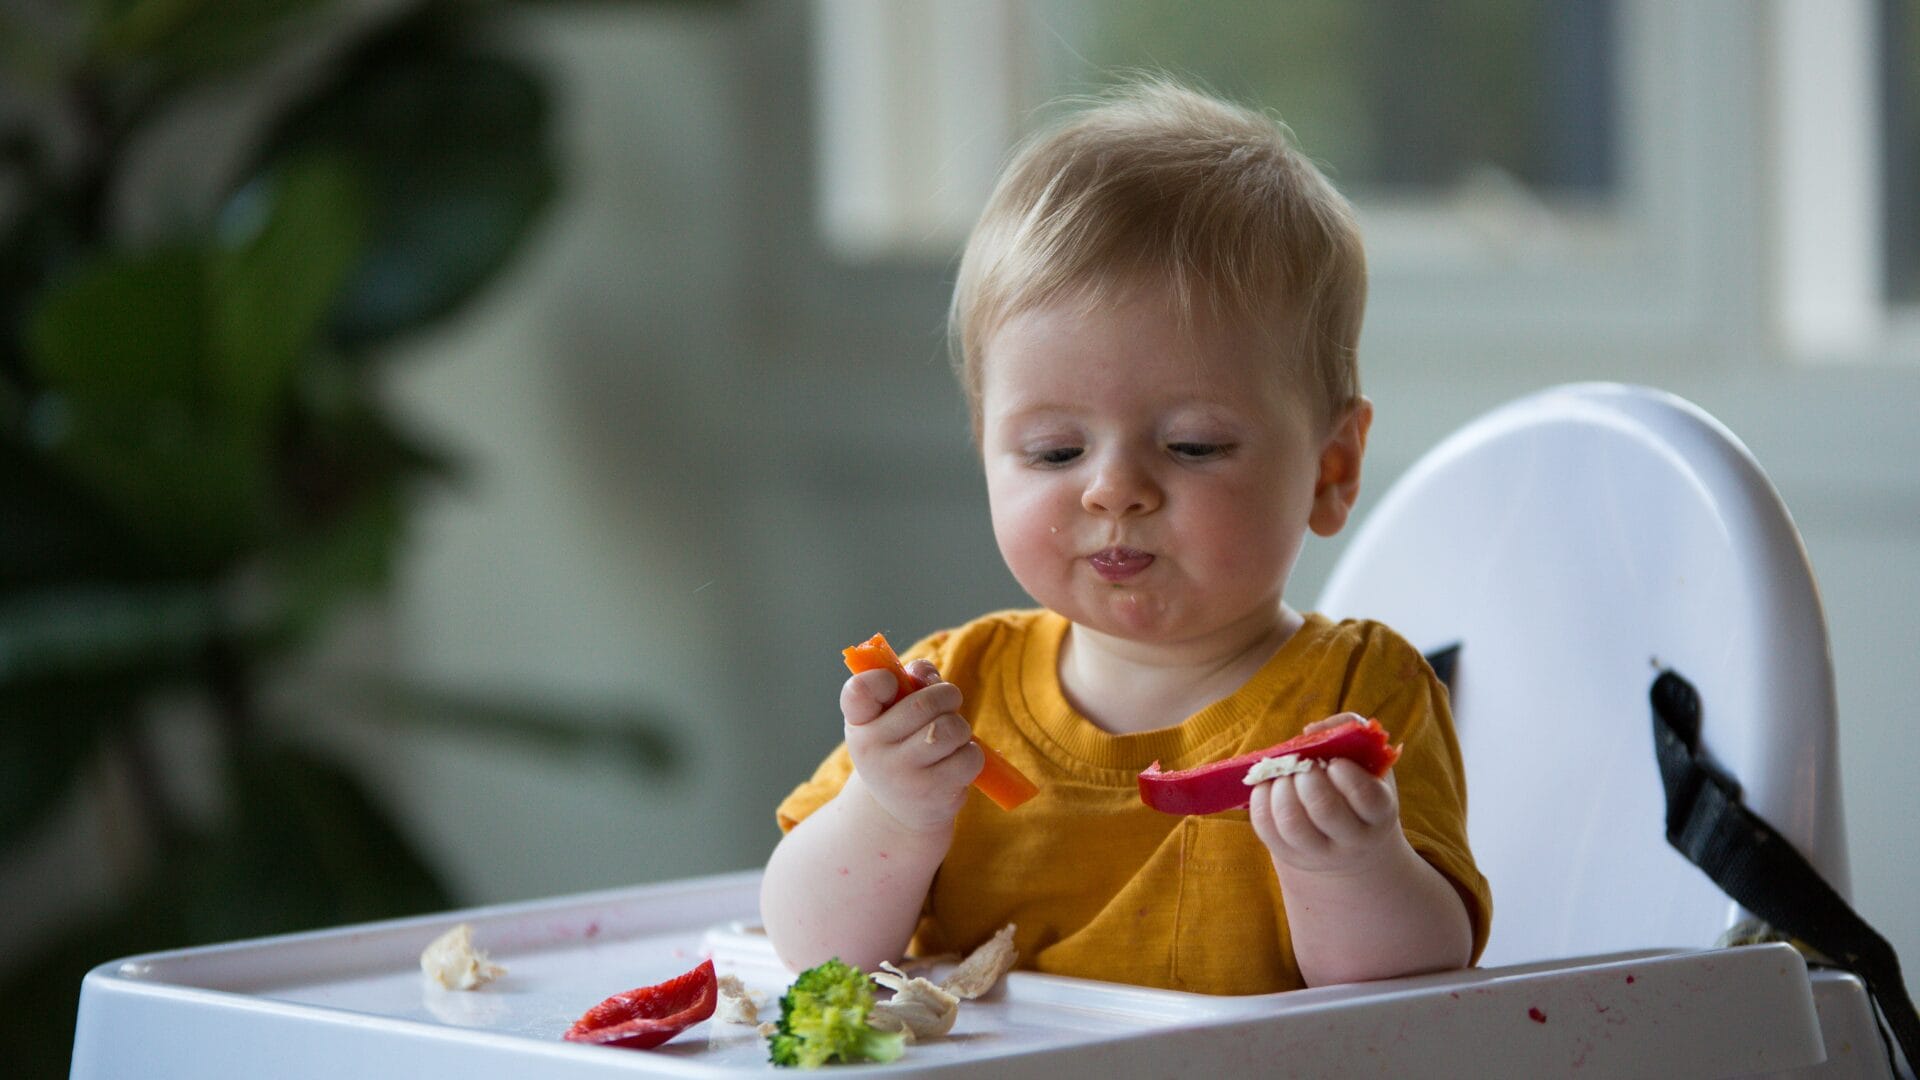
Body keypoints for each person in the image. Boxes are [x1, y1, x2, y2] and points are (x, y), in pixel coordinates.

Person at [760, 78, 1490, 995]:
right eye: (1055, 449)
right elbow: (811, 951)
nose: (1114, 489)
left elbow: (1414, 995)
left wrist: (1347, 867)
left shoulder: (1357, 698)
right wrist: (893, 812)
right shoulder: (955, 691)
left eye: (1192, 445)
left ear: (1330, 470)